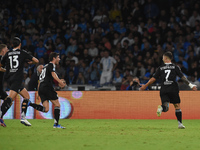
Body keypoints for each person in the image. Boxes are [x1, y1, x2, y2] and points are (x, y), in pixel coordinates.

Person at [140, 51, 197, 129]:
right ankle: (180, 124)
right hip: (173, 88)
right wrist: (191, 85)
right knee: (177, 106)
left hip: (163, 89)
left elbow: (153, 79)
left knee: (166, 107)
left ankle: (161, 108)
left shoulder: (160, 68)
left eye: (163, 57)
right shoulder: (175, 67)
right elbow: (182, 77)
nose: (162, 58)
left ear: (166, 58)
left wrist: (145, 86)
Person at [0, 37, 40, 127]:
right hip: (17, 78)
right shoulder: (22, 53)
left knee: (26, 97)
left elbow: (0, 65)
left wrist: (6, 70)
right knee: (10, 98)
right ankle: (0, 115)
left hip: (10, 78)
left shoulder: (8, 53)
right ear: (20, 44)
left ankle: (23, 117)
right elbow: (36, 61)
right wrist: (31, 63)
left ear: (12, 45)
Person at [38, 52, 66, 129]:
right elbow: (53, 75)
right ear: (54, 58)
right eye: (58, 57)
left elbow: (40, 79)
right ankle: (56, 124)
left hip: (41, 88)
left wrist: (38, 92)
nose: (59, 59)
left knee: (46, 109)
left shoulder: (46, 66)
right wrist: (60, 82)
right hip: (47, 87)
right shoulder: (51, 65)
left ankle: (30, 104)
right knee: (57, 105)